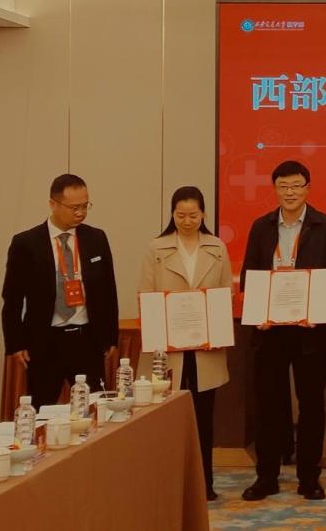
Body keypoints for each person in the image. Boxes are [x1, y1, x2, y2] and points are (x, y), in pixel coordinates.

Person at [240, 161, 326, 501]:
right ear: (275, 190)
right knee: (269, 405)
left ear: (308, 188)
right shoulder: (261, 227)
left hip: (311, 333)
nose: (290, 192)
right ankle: (266, 477)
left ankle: (309, 477)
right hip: (269, 332)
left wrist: (320, 310)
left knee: (312, 406)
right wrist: (259, 311)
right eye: (283, 186)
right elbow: (250, 274)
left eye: (297, 186)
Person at [139, 186, 230, 501]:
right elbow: (146, 295)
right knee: (167, 419)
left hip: (206, 348)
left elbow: (225, 295)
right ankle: (168, 484)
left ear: (203, 214)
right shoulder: (156, 248)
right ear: (172, 214)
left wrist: (216, 329)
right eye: (181, 215)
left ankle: (205, 483)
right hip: (169, 349)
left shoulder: (217, 247)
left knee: (204, 417)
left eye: (193, 215)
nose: (187, 221)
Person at [2, 174, 118, 408]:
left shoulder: (96, 238)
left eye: (85, 206)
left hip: (87, 339)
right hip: (45, 341)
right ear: (53, 204)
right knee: (41, 409)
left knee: (95, 408)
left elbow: (108, 292)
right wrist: (15, 343)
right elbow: (12, 297)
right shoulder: (26, 243)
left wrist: (110, 337)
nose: (81, 213)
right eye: (74, 207)